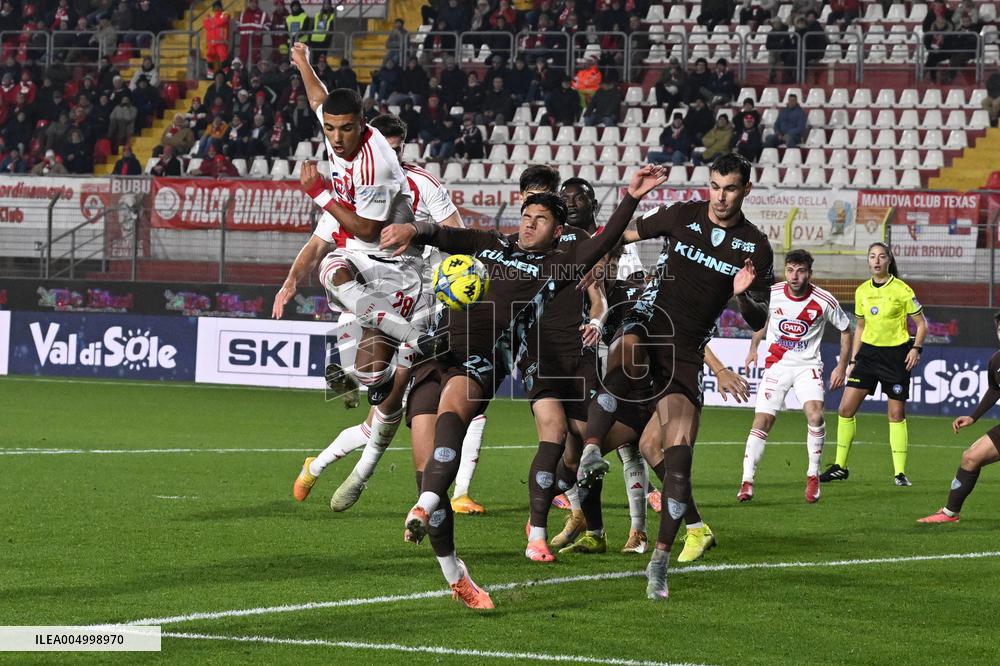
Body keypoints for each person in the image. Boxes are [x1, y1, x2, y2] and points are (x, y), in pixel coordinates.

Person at [379, 165, 669, 610]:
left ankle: (427, 504)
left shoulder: (557, 266)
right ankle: (455, 572)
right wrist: (412, 229)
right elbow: (447, 235)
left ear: (557, 232)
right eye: (526, 216)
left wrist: (631, 196)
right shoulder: (494, 244)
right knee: (425, 469)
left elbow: (604, 241)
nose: (529, 224)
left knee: (451, 423)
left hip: (481, 358)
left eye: (541, 220)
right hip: (435, 349)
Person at [576, 153, 773, 601]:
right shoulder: (682, 214)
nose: (720, 197)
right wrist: (605, 249)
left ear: (745, 190)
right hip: (650, 321)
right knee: (626, 348)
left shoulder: (755, 246)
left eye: (730, 188)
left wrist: (742, 298)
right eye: (715, 186)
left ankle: (660, 563)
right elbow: (622, 234)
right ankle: (591, 452)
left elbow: (759, 317)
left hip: (686, 350)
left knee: (669, 452)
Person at [293, 113, 487, 515]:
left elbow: (456, 232)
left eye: (396, 149)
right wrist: (290, 281)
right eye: (384, 148)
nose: (390, 156)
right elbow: (318, 244)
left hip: (421, 297)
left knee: (396, 408)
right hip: (371, 298)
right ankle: (331, 456)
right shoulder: (355, 187)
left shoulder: (424, 184)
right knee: (382, 407)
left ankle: (343, 470)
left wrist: (453, 271)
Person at [278, 44, 429, 511]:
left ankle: (348, 469)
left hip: (398, 271)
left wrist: (319, 192)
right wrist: (303, 63)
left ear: (363, 125)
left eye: (346, 129)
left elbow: (367, 229)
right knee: (333, 270)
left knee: (384, 405)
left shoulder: (376, 165)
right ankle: (392, 344)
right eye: (330, 129)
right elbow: (318, 98)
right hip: (363, 275)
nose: (336, 138)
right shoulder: (336, 133)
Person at [514, 172, 609, 562]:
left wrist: (596, 322)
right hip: (539, 354)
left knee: (579, 454)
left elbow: (597, 297)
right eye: (529, 207)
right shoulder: (514, 249)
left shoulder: (577, 240)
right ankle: (537, 535)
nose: (534, 218)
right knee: (553, 433)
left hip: (579, 355)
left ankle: (583, 520)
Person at [738, 250, 851, 503]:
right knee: (762, 421)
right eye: (790, 270)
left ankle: (813, 476)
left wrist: (842, 366)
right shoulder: (773, 293)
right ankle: (747, 481)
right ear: (785, 271)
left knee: (816, 415)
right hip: (777, 366)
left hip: (807, 366)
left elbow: (846, 329)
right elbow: (761, 322)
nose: (795, 276)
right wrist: (753, 348)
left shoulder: (824, 300)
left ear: (809, 273)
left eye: (800, 271)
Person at [820, 243, 927, 486]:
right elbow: (860, 327)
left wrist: (916, 348)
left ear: (889, 260)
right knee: (845, 409)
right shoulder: (862, 291)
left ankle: (899, 473)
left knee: (896, 414)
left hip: (895, 357)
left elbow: (922, 325)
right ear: (868, 261)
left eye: (881, 257)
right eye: (872, 257)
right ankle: (839, 467)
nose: (876, 261)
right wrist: (853, 360)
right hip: (867, 356)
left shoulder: (902, 290)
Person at [918, 313, 1000, 524]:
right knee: (971, 457)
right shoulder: (996, 360)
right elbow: (994, 389)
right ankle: (950, 513)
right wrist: (973, 417)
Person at [203, 1, 231, 78]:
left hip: (221, 42)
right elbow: (206, 24)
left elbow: (223, 21)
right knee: (210, 58)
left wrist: (212, 23)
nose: (216, 8)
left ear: (221, 7)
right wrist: (215, 23)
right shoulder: (208, 15)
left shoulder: (225, 14)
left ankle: (226, 74)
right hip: (211, 43)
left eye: (218, 6)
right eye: (215, 7)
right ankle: (210, 75)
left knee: (224, 58)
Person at [237, 0, 268, 65]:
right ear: (249, 3)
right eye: (251, 2)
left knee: (256, 57)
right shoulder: (243, 14)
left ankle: (256, 70)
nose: (253, 4)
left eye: (255, 2)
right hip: (244, 40)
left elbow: (267, 26)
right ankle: (243, 70)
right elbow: (238, 25)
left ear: (257, 3)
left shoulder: (263, 14)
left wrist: (261, 32)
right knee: (242, 57)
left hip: (256, 40)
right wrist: (241, 32)